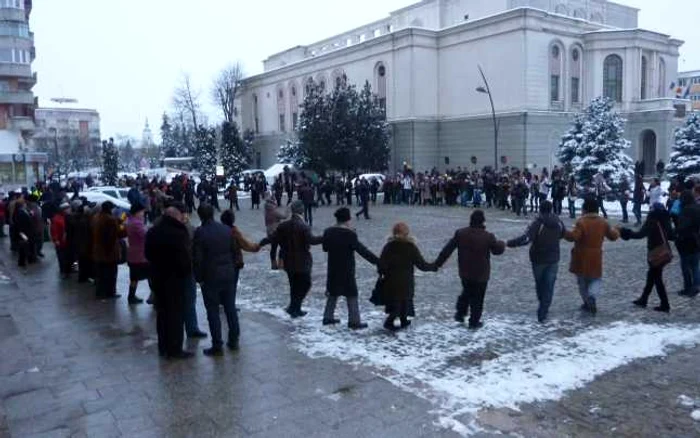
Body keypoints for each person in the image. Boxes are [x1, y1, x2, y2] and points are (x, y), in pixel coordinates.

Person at [193, 205, 251, 356]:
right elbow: (234, 251)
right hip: (228, 275)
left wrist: (199, 278)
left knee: (212, 311)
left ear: (200, 216)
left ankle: (217, 344)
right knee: (230, 308)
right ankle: (234, 340)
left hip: (210, 276)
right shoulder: (226, 230)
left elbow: (197, 258)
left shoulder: (200, 232)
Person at [434, 210, 506, 329]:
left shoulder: (461, 233)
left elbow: (448, 249)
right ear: (483, 221)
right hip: (481, 273)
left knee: (467, 291)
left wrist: (438, 263)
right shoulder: (488, 236)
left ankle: (460, 313)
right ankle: (474, 321)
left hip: (465, 271)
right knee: (478, 297)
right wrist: (502, 244)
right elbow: (496, 250)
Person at [145, 202, 194, 360]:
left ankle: (163, 346)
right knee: (175, 315)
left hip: (158, 278)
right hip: (175, 280)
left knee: (162, 313)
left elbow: (148, 254)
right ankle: (175, 349)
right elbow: (184, 259)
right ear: (175, 216)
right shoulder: (178, 233)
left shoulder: (153, 231)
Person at [261, 200, 323, 318]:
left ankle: (294, 308)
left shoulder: (284, 225)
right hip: (302, 260)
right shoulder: (303, 226)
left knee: (294, 285)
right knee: (305, 284)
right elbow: (312, 240)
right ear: (301, 210)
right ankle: (295, 307)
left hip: (288, 260)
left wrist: (261, 245)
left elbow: (273, 239)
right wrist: (326, 237)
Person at [507, 201, 566, 322]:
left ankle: (542, 307)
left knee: (540, 284)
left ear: (540, 209)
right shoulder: (559, 222)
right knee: (549, 285)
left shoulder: (537, 223)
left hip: (538, 258)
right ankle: (544, 308)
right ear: (551, 209)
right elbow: (563, 234)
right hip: (554, 258)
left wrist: (509, 243)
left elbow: (526, 238)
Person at [322, 207, 378, 329]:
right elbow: (362, 250)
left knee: (333, 292)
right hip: (347, 267)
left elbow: (325, 248)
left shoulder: (328, 231)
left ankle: (327, 317)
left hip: (333, 266)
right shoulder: (350, 234)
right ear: (347, 219)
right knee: (351, 293)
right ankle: (354, 321)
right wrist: (377, 261)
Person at [564, 197, 620, 315]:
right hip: (596, 255)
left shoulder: (581, 222)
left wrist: (563, 232)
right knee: (595, 279)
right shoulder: (603, 222)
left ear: (585, 209)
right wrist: (617, 229)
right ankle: (592, 297)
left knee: (582, 281)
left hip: (581, 255)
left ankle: (586, 301)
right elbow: (613, 236)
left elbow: (574, 237)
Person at [377, 222, 436, 330]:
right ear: (407, 233)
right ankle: (389, 322)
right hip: (406, 281)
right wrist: (434, 266)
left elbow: (381, 264)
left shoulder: (389, 246)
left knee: (396, 301)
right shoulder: (410, 247)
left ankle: (403, 320)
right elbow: (421, 265)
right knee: (404, 301)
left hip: (391, 280)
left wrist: (383, 273)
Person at [619, 203, 673, 313]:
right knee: (652, 276)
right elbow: (671, 235)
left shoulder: (652, 220)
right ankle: (644, 299)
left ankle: (664, 304)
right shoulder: (665, 219)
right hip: (663, 251)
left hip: (656, 253)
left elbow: (640, 234)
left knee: (656, 278)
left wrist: (624, 232)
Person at [92, 201, 125, 299]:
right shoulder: (110, 220)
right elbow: (117, 234)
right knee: (111, 274)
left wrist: (119, 221)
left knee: (101, 274)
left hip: (98, 251)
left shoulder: (96, 217)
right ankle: (110, 292)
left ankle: (100, 292)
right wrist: (123, 227)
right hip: (109, 253)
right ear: (110, 209)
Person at [674, 191, 700, 297]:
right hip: (697, 240)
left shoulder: (686, 210)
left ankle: (688, 287)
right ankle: (696, 286)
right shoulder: (697, 208)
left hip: (687, 240)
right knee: (695, 266)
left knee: (686, 266)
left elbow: (683, 226)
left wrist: (675, 231)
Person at [125, 204, 148, 304]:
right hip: (140, 254)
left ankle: (131, 296)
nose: (143, 214)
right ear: (137, 212)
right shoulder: (136, 223)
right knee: (151, 275)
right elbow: (145, 234)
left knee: (134, 277)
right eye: (142, 212)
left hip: (133, 254)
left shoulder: (129, 221)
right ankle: (154, 296)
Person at [264, 192, 287, 270]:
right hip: (276, 231)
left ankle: (273, 264)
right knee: (284, 246)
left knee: (273, 248)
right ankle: (281, 263)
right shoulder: (273, 210)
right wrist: (288, 210)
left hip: (270, 231)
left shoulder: (267, 210)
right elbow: (284, 216)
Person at [50, 203, 72, 279]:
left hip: (67, 241)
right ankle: (63, 270)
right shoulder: (57, 219)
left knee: (67, 256)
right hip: (60, 241)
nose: (69, 210)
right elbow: (54, 230)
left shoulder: (67, 217)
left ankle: (67, 269)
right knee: (62, 256)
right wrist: (56, 240)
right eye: (68, 209)